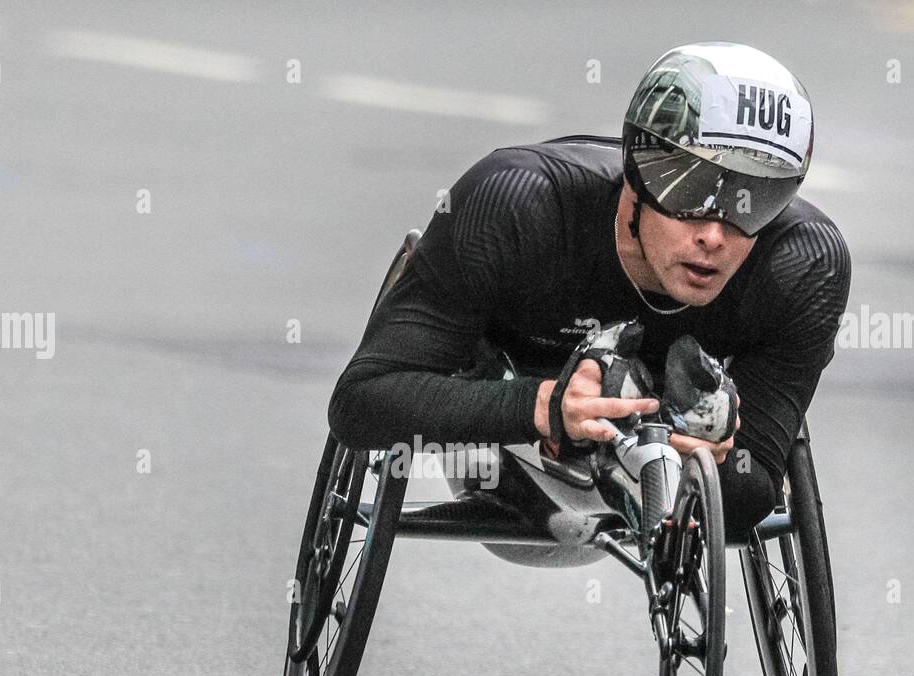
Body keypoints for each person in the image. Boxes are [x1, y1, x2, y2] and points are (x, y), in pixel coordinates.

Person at [328, 41, 852, 540]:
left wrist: (716, 463)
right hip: (501, 430)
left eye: (751, 200)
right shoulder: (518, 201)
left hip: (652, 462)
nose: (714, 235)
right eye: (691, 193)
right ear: (637, 176)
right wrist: (546, 406)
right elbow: (359, 404)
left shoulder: (805, 264)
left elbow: (752, 495)